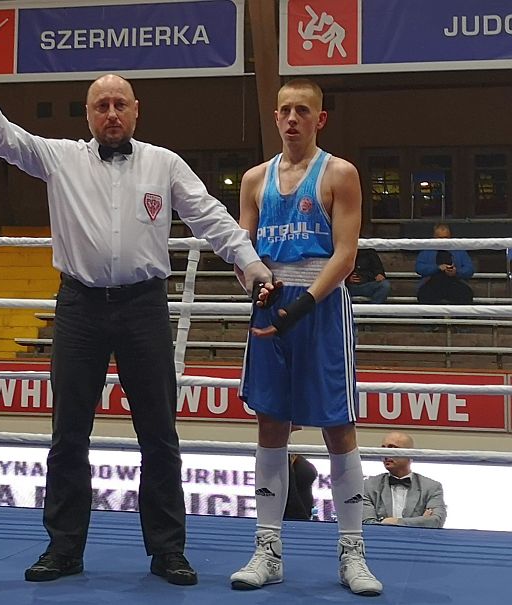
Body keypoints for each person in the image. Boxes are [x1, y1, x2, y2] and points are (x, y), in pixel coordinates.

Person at [0, 52, 272, 587]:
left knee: (159, 435)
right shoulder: (59, 158)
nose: (111, 113)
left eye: (119, 104)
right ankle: (63, 548)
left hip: (144, 306)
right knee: (68, 434)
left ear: (136, 111)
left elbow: (209, 215)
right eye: (101, 106)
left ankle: (167, 552)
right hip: (80, 307)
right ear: (87, 115)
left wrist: (251, 265)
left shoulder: (163, 163)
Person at [230, 78, 383, 596]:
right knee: (271, 424)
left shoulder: (339, 173)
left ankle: (352, 552)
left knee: (338, 426)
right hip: (272, 307)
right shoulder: (254, 179)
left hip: (320, 309)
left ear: (320, 119)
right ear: (274, 118)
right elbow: (242, 251)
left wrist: (303, 303)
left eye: (303, 110)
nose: (292, 118)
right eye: (285, 110)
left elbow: (346, 253)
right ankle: (267, 548)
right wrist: (256, 282)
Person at [362, 431, 446, 528]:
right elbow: (367, 523)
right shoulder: (368, 485)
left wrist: (394, 521)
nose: (385, 454)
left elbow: (436, 521)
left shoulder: (431, 487)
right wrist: (420, 521)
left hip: (417, 541)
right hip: (380, 541)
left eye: (392, 448)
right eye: (383, 449)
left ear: (410, 453)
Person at [415, 223, 474, 304]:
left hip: (455, 282)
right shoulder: (426, 251)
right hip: (432, 283)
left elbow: (469, 269)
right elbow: (419, 268)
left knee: (465, 294)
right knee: (425, 295)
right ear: (434, 237)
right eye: (440, 238)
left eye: (446, 237)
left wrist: (456, 272)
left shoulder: (459, 251)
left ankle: (460, 316)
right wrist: (437, 268)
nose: (443, 241)